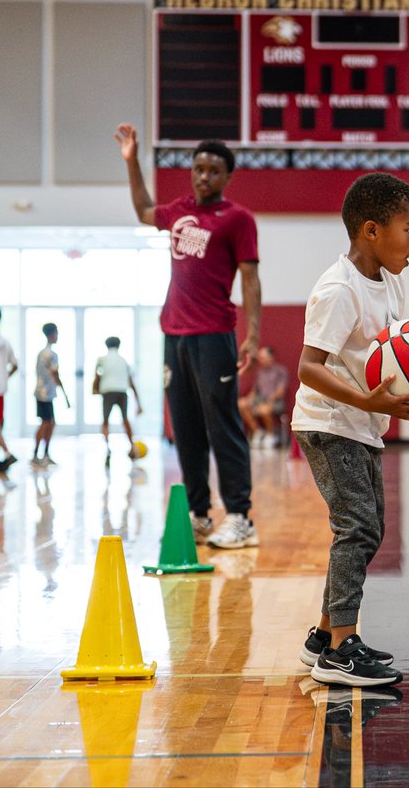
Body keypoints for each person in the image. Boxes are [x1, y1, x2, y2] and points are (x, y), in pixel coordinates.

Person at [291, 172, 409, 687]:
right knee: (357, 529)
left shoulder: (391, 283)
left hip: (361, 423)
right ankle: (340, 651)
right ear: (371, 230)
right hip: (329, 423)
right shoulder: (337, 289)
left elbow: (395, 350)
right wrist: (365, 399)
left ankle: (323, 636)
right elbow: (308, 366)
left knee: (370, 530)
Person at [114, 122, 262, 549]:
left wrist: (252, 335)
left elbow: (250, 281)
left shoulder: (237, 219)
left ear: (226, 177)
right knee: (185, 428)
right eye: (198, 169)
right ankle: (199, 514)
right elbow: (143, 210)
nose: (204, 177)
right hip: (174, 336)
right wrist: (132, 162)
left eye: (213, 171)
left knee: (222, 425)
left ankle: (240, 517)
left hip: (214, 334)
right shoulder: (178, 210)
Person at [93, 336, 144, 465]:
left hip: (108, 391)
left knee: (105, 421)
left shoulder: (102, 360)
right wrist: (139, 404)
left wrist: (94, 388)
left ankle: (108, 449)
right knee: (125, 419)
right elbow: (131, 382)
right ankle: (132, 446)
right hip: (122, 391)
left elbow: (97, 376)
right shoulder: (124, 361)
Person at [32, 323, 68, 468]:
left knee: (50, 423)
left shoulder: (43, 353)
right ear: (52, 334)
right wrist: (66, 395)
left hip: (45, 393)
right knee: (46, 423)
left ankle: (45, 453)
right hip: (44, 394)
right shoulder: (51, 354)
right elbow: (55, 374)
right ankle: (36, 454)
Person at [0, 307, 19, 474]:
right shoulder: (4, 342)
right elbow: (15, 364)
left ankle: (6, 452)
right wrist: (5, 375)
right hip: (0, 388)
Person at [238, 345, 289, 446]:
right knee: (241, 404)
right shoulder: (260, 372)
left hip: (275, 401)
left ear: (271, 357)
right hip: (260, 399)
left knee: (264, 409)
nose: (261, 360)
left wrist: (268, 401)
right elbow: (255, 390)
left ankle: (271, 435)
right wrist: (249, 399)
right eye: (260, 358)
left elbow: (281, 391)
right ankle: (257, 431)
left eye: (263, 357)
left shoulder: (281, 371)